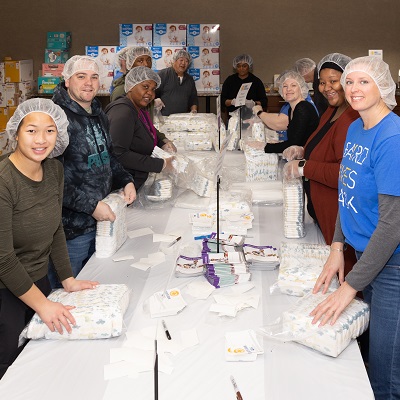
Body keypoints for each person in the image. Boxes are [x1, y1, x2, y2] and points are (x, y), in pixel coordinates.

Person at [310, 56, 400, 400]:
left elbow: (392, 224)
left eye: (364, 81)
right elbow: (347, 194)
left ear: (383, 86)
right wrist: (336, 248)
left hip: (391, 264)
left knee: (386, 371)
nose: (353, 89)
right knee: (365, 356)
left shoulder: (392, 138)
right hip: (365, 258)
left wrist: (350, 287)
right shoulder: (354, 128)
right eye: (350, 82)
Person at [0, 98, 99, 378]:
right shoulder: (4, 181)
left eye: (50, 130)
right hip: (5, 292)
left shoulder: (54, 170)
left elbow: (55, 228)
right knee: (9, 365)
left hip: (39, 281)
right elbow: (3, 259)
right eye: (31, 130)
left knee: (38, 361)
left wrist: (67, 278)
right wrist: (42, 305)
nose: (41, 140)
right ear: (16, 132)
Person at [49, 55, 136, 286]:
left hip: (101, 224)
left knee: (94, 292)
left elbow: (108, 158)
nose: (88, 82)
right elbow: (50, 179)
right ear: (67, 80)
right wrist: (91, 205)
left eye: (94, 77)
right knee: (65, 295)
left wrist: (125, 180)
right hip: (69, 231)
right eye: (81, 76)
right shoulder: (55, 119)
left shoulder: (99, 114)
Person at [283, 53, 358, 276]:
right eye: (322, 82)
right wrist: (303, 150)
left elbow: (344, 173)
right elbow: (323, 146)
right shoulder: (332, 110)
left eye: (333, 81)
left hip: (339, 220)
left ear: (348, 80)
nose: (327, 88)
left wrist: (305, 166)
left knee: (343, 277)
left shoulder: (353, 119)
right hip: (320, 210)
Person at [105, 66, 176, 191]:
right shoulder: (123, 113)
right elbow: (118, 154)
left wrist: (162, 143)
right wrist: (161, 164)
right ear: (131, 86)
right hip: (125, 187)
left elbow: (147, 131)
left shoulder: (138, 109)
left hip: (137, 179)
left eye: (153, 89)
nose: (150, 93)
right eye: (145, 87)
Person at [251, 70, 319, 153]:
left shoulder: (302, 108)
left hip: (311, 157)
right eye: (285, 86)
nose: (288, 89)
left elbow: (293, 143)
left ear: (301, 89)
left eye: (293, 85)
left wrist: (264, 146)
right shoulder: (292, 108)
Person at [221, 54, 268, 121]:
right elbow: (222, 100)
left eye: (244, 66)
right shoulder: (230, 80)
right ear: (235, 67)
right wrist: (232, 102)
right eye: (238, 66)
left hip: (252, 119)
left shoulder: (256, 81)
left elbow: (264, 101)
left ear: (249, 66)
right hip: (233, 118)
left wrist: (253, 103)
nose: (241, 69)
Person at [155, 49, 198, 116]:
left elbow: (193, 99)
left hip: (183, 119)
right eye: (181, 60)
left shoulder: (190, 79)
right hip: (164, 118)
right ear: (174, 61)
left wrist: (194, 111)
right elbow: (153, 94)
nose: (183, 63)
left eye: (186, 61)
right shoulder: (163, 74)